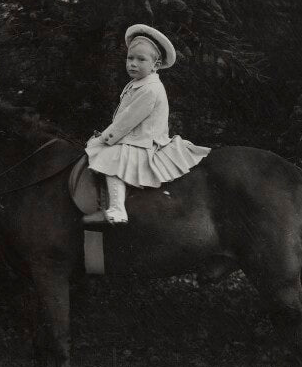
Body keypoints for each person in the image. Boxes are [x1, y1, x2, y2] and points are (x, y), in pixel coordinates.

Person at [83, 24, 210, 225]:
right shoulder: (138, 83)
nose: (133, 64)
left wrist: (105, 138)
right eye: (130, 58)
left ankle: (117, 210)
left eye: (141, 59)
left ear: (155, 65)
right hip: (135, 136)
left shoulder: (150, 89)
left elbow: (126, 121)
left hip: (144, 142)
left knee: (110, 159)